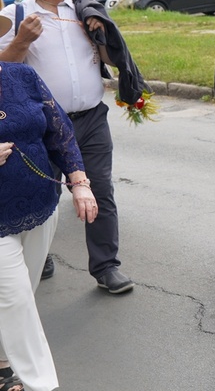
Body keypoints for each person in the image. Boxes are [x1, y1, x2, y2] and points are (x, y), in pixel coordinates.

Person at [0, 0, 137, 294]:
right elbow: (4, 74)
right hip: (43, 126)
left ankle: (106, 267)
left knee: (99, 190)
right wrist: (21, 43)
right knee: (42, 191)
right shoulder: (16, 17)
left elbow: (109, 58)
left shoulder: (83, 10)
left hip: (91, 118)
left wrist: (104, 35)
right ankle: (38, 248)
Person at [0, 60, 98, 391]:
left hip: (40, 205)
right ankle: (40, 384)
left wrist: (79, 180)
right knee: (14, 298)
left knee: (21, 295)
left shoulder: (22, 75)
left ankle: (2, 362)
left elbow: (59, 130)